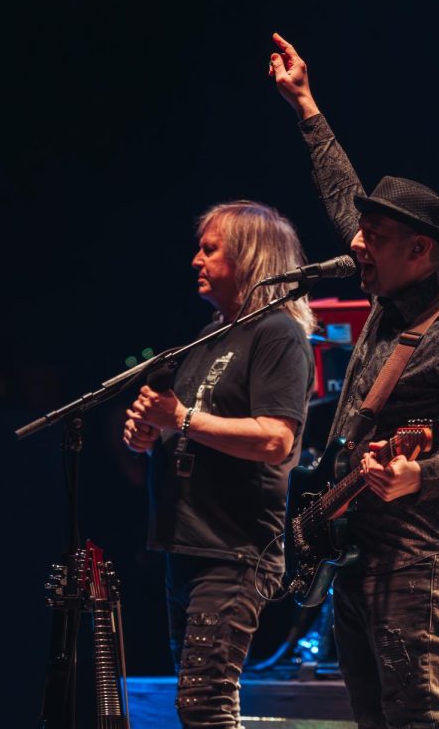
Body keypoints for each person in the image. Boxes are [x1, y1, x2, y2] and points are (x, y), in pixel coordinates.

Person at [270, 32, 439, 729]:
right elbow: (344, 196)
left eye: (373, 236)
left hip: (424, 559)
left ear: (420, 250)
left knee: (422, 721)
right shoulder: (385, 296)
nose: (357, 245)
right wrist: (306, 106)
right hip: (358, 552)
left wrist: (420, 475)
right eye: (364, 232)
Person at [123, 200, 316, 728]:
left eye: (210, 249)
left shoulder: (278, 334)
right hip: (184, 544)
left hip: (234, 549)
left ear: (250, 259)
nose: (195, 260)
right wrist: (147, 434)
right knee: (196, 702)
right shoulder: (208, 337)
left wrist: (179, 418)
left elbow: (276, 439)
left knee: (205, 704)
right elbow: (183, 429)